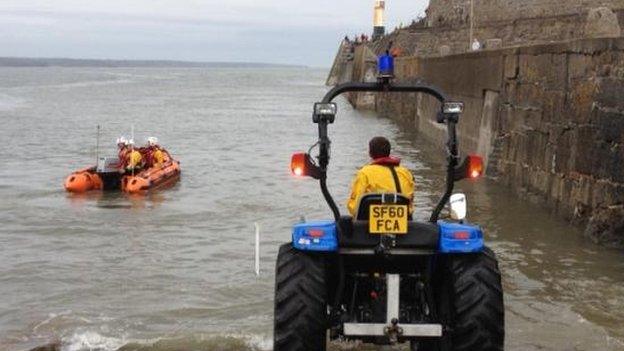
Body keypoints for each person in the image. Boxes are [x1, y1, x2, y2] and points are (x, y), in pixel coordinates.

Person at [347, 136, 415, 216]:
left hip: (369, 223)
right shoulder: (406, 173)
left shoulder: (364, 173)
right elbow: (410, 201)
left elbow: (354, 207)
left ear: (370, 153)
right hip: (404, 221)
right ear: (388, 152)